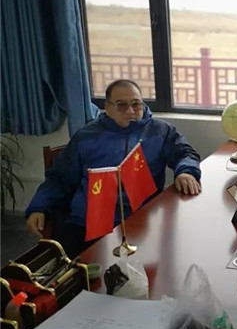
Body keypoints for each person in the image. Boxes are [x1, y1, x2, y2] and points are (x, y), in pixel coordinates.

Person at [25, 79, 202, 257]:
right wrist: (39, 207)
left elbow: (184, 153)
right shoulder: (86, 137)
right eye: (122, 105)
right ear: (108, 108)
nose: (131, 111)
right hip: (89, 221)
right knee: (74, 269)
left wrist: (186, 172)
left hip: (140, 219)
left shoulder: (160, 131)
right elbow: (59, 177)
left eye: (136, 104)